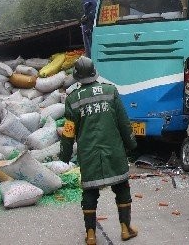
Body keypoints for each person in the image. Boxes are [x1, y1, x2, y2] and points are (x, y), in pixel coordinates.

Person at [59, 56, 138, 245]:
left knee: (90, 192)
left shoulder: (72, 99)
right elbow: (123, 123)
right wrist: (132, 145)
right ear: (94, 72)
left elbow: (68, 132)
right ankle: (126, 229)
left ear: (77, 77)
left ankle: (91, 234)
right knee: (121, 187)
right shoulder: (110, 91)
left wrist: (64, 156)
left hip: (89, 154)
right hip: (113, 151)